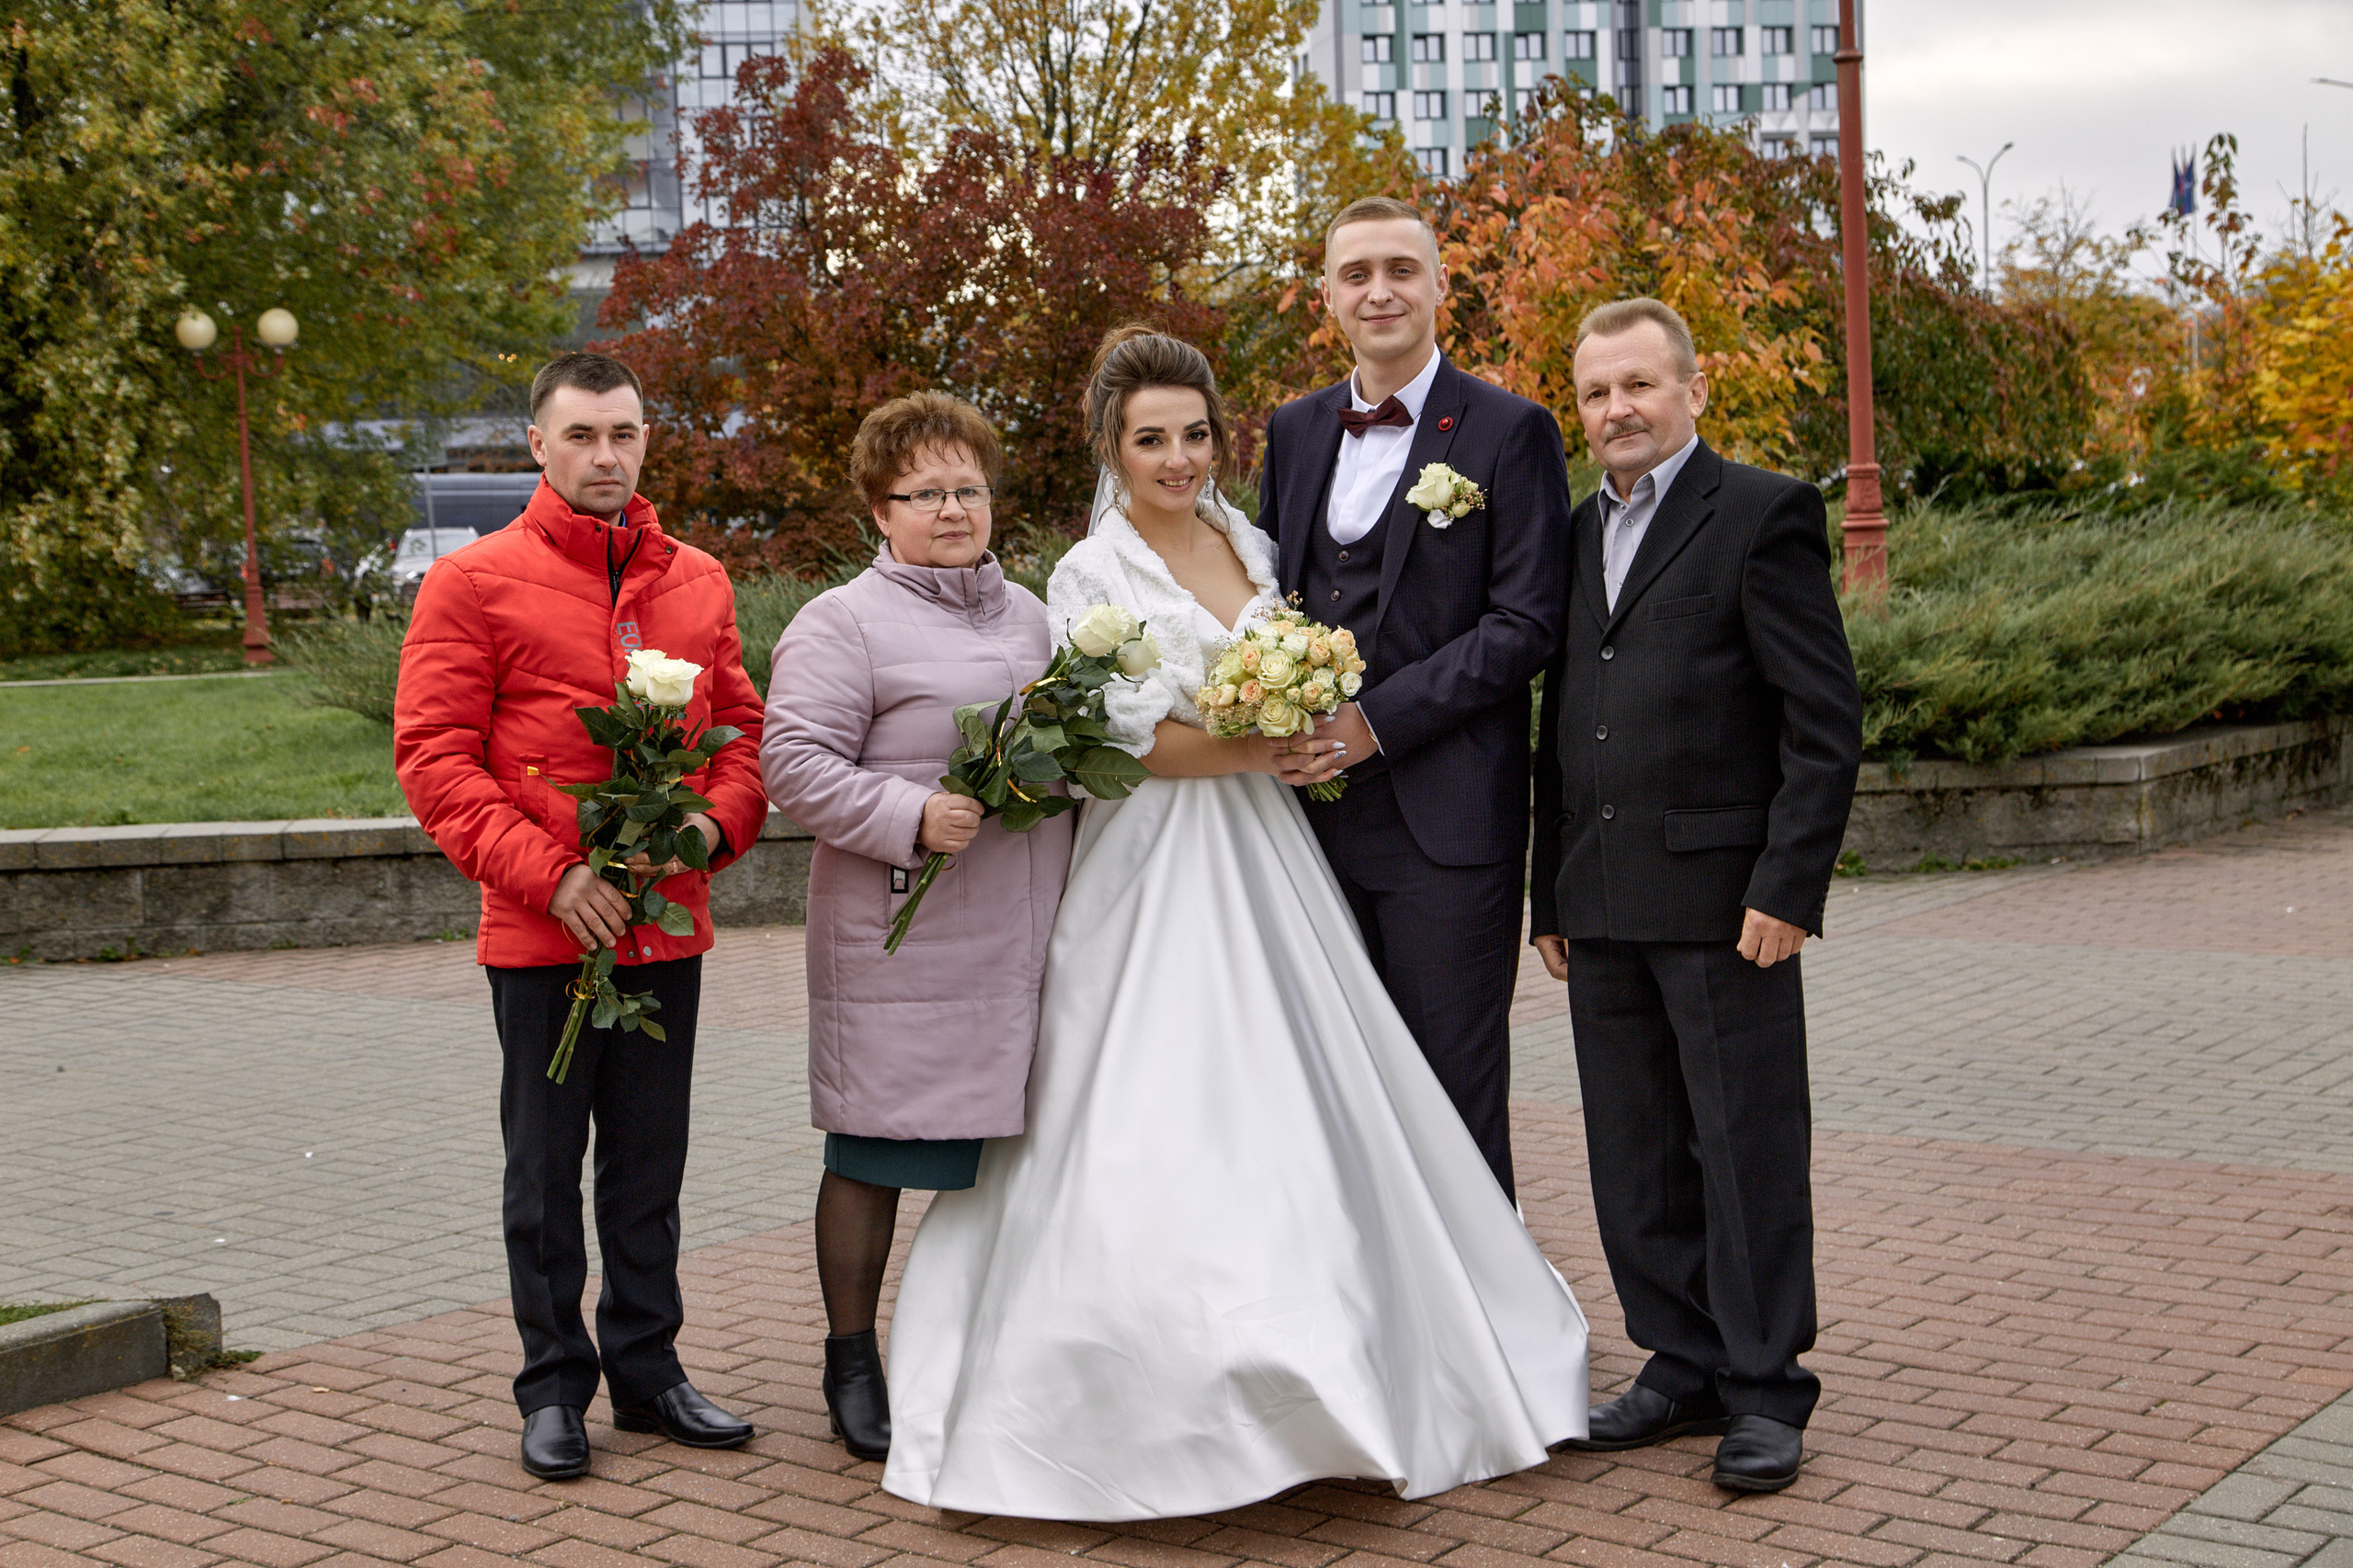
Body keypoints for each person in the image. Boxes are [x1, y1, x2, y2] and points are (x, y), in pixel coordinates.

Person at [881, 326, 1587, 1521]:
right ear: (1111, 446)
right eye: (1151, 438)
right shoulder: (1091, 575)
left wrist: (1296, 726)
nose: (1177, 458)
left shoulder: (1247, 540)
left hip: (1272, 848)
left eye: (1196, 434)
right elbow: (1124, 744)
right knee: (1153, 1102)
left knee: (1308, 1091)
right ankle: (1144, 1391)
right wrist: (1262, 748)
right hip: (1155, 860)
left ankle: (1340, 1358)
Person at [394, 351, 769, 1481]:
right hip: (542, 927)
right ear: (538, 444)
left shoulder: (698, 578)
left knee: (649, 1166)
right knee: (545, 1172)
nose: (607, 455)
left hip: (664, 926)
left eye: (624, 433)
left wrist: (704, 829)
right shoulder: (470, 582)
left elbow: (742, 737)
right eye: (582, 435)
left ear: (646, 438)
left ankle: (649, 1370)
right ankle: (554, 1384)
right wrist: (553, 875)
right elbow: (435, 757)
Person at [1529, 298, 1862, 1494]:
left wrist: (1789, 884)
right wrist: (1548, 892)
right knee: (1634, 1152)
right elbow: (1559, 723)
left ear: (1693, 388)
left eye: (1639, 384)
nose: (1617, 409)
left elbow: (1823, 721)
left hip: (1730, 905)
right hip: (1601, 901)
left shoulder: (1763, 513)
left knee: (1744, 1146)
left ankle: (1766, 1385)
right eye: (1596, 392)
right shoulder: (1572, 532)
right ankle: (1682, 1362)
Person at [759, 393, 1074, 1466]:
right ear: (879, 510)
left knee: (1017, 1153)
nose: (952, 509)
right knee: (875, 1147)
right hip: (904, 931)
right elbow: (794, 762)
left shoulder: (1033, 616)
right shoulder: (841, 621)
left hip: (1026, 929)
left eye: (968, 488)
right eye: (926, 492)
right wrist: (910, 812)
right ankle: (851, 1356)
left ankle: (996, 1349)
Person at [1254, 196, 1573, 1202]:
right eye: (1356, 274)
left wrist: (1374, 724)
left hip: (1448, 825)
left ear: (1439, 285)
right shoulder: (1293, 431)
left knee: (1450, 1087)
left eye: (1400, 269)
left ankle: (1480, 1293)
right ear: (1327, 297)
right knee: (1332, 1081)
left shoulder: (1512, 430)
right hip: (1307, 821)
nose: (1379, 291)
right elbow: (1269, 600)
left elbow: (1525, 624)